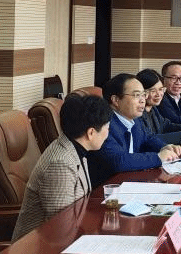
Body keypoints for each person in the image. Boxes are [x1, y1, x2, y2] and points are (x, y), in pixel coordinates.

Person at [12, 95, 111, 241]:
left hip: (66, 239)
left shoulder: (75, 148)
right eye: (107, 128)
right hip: (39, 248)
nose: (108, 134)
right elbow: (61, 229)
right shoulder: (60, 164)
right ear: (91, 133)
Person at [87, 73, 181, 186]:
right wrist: (158, 158)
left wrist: (164, 147)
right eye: (137, 95)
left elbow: (148, 138)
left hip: (130, 182)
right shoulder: (104, 124)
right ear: (116, 100)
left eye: (143, 95)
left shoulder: (134, 119)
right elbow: (118, 161)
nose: (143, 100)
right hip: (106, 188)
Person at [134, 69, 181, 145]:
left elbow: (165, 126)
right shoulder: (136, 114)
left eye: (161, 89)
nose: (158, 94)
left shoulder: (153, 108)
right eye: (153, 91)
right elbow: (148, 139)